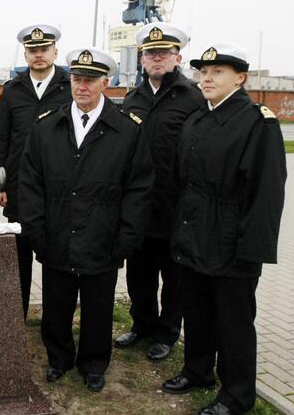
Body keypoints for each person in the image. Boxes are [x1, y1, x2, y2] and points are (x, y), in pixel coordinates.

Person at [160, 43, 286, 415]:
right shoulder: (198, 118)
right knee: (197, 311)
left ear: (241, 78)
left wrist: (253, 249)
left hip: (233, 239)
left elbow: (267, 191)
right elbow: (183, 180)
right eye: (203, 72)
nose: (207, 78)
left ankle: (237, 395)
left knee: (233, 323)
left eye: (217, 72)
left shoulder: (256, 121)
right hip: (194, 232)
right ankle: (198, 371)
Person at [20, 47, 153, 392]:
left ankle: (94, 364)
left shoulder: (127, 130)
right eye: (77, 79)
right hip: (57, 232)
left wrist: (127, 236)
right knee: (56, 302)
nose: (82, 86)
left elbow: (139, 188)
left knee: (98, 306)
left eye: (90, 80)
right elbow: (30, 181)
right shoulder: (47, 126)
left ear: (105, 82)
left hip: (103, 234)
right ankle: (59, 358)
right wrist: (35, 229)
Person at [114, 22, 206, 361]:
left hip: (175, 205)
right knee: (140, 273)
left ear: (177, 57)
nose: (157, 58)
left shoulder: (192, 97)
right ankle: (142, 325)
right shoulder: (132, 99)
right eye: (151, 53)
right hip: (139, 205)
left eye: (164, 53)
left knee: (174, 277)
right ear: (141, 58)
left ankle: (167, 332)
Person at [0, 24, 71, 320]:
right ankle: (16, 318)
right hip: (20, 189)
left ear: (55, 52)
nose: (38, 55)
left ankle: (54, 322)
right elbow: (1, 137)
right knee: (18, 258)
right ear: (25, 53)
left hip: (57, 189)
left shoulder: (69, 85)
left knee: (54, 261)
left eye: (44, 49)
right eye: (32, 50)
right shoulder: (13, 89)